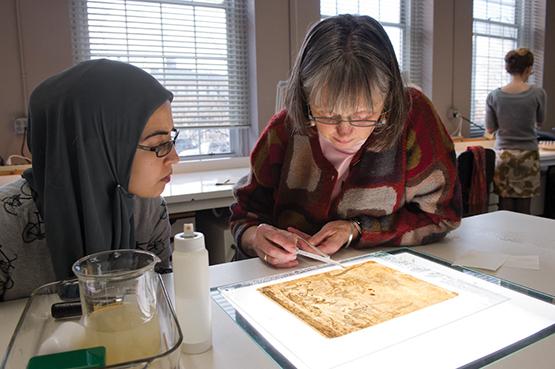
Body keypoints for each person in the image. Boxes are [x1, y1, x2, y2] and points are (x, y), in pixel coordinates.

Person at [230, 14, 462, 268]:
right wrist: (255, 238)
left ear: (388, 100)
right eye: (327, 115)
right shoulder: (284, 130)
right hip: (291, 277)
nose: (344, 131)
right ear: (306, 100)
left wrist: (357, 230)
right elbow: (245, 218)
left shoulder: (412, 117)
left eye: (363, 116)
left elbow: (442, 216)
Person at [0, 59, 179, 301]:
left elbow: (157, 302)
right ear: (94, 148)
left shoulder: (148, 210)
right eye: (159, 144)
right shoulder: (6, 223)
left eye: (171, 138)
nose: (175, 158)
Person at [485, 48, 546, 214]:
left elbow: (490, 128)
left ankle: (506, 239)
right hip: (528, 156)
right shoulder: (538, 93)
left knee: (505, 208)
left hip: (505, 156)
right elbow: (540, 122)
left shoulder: (494, 96)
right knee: (524, 209)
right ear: (528, 69)